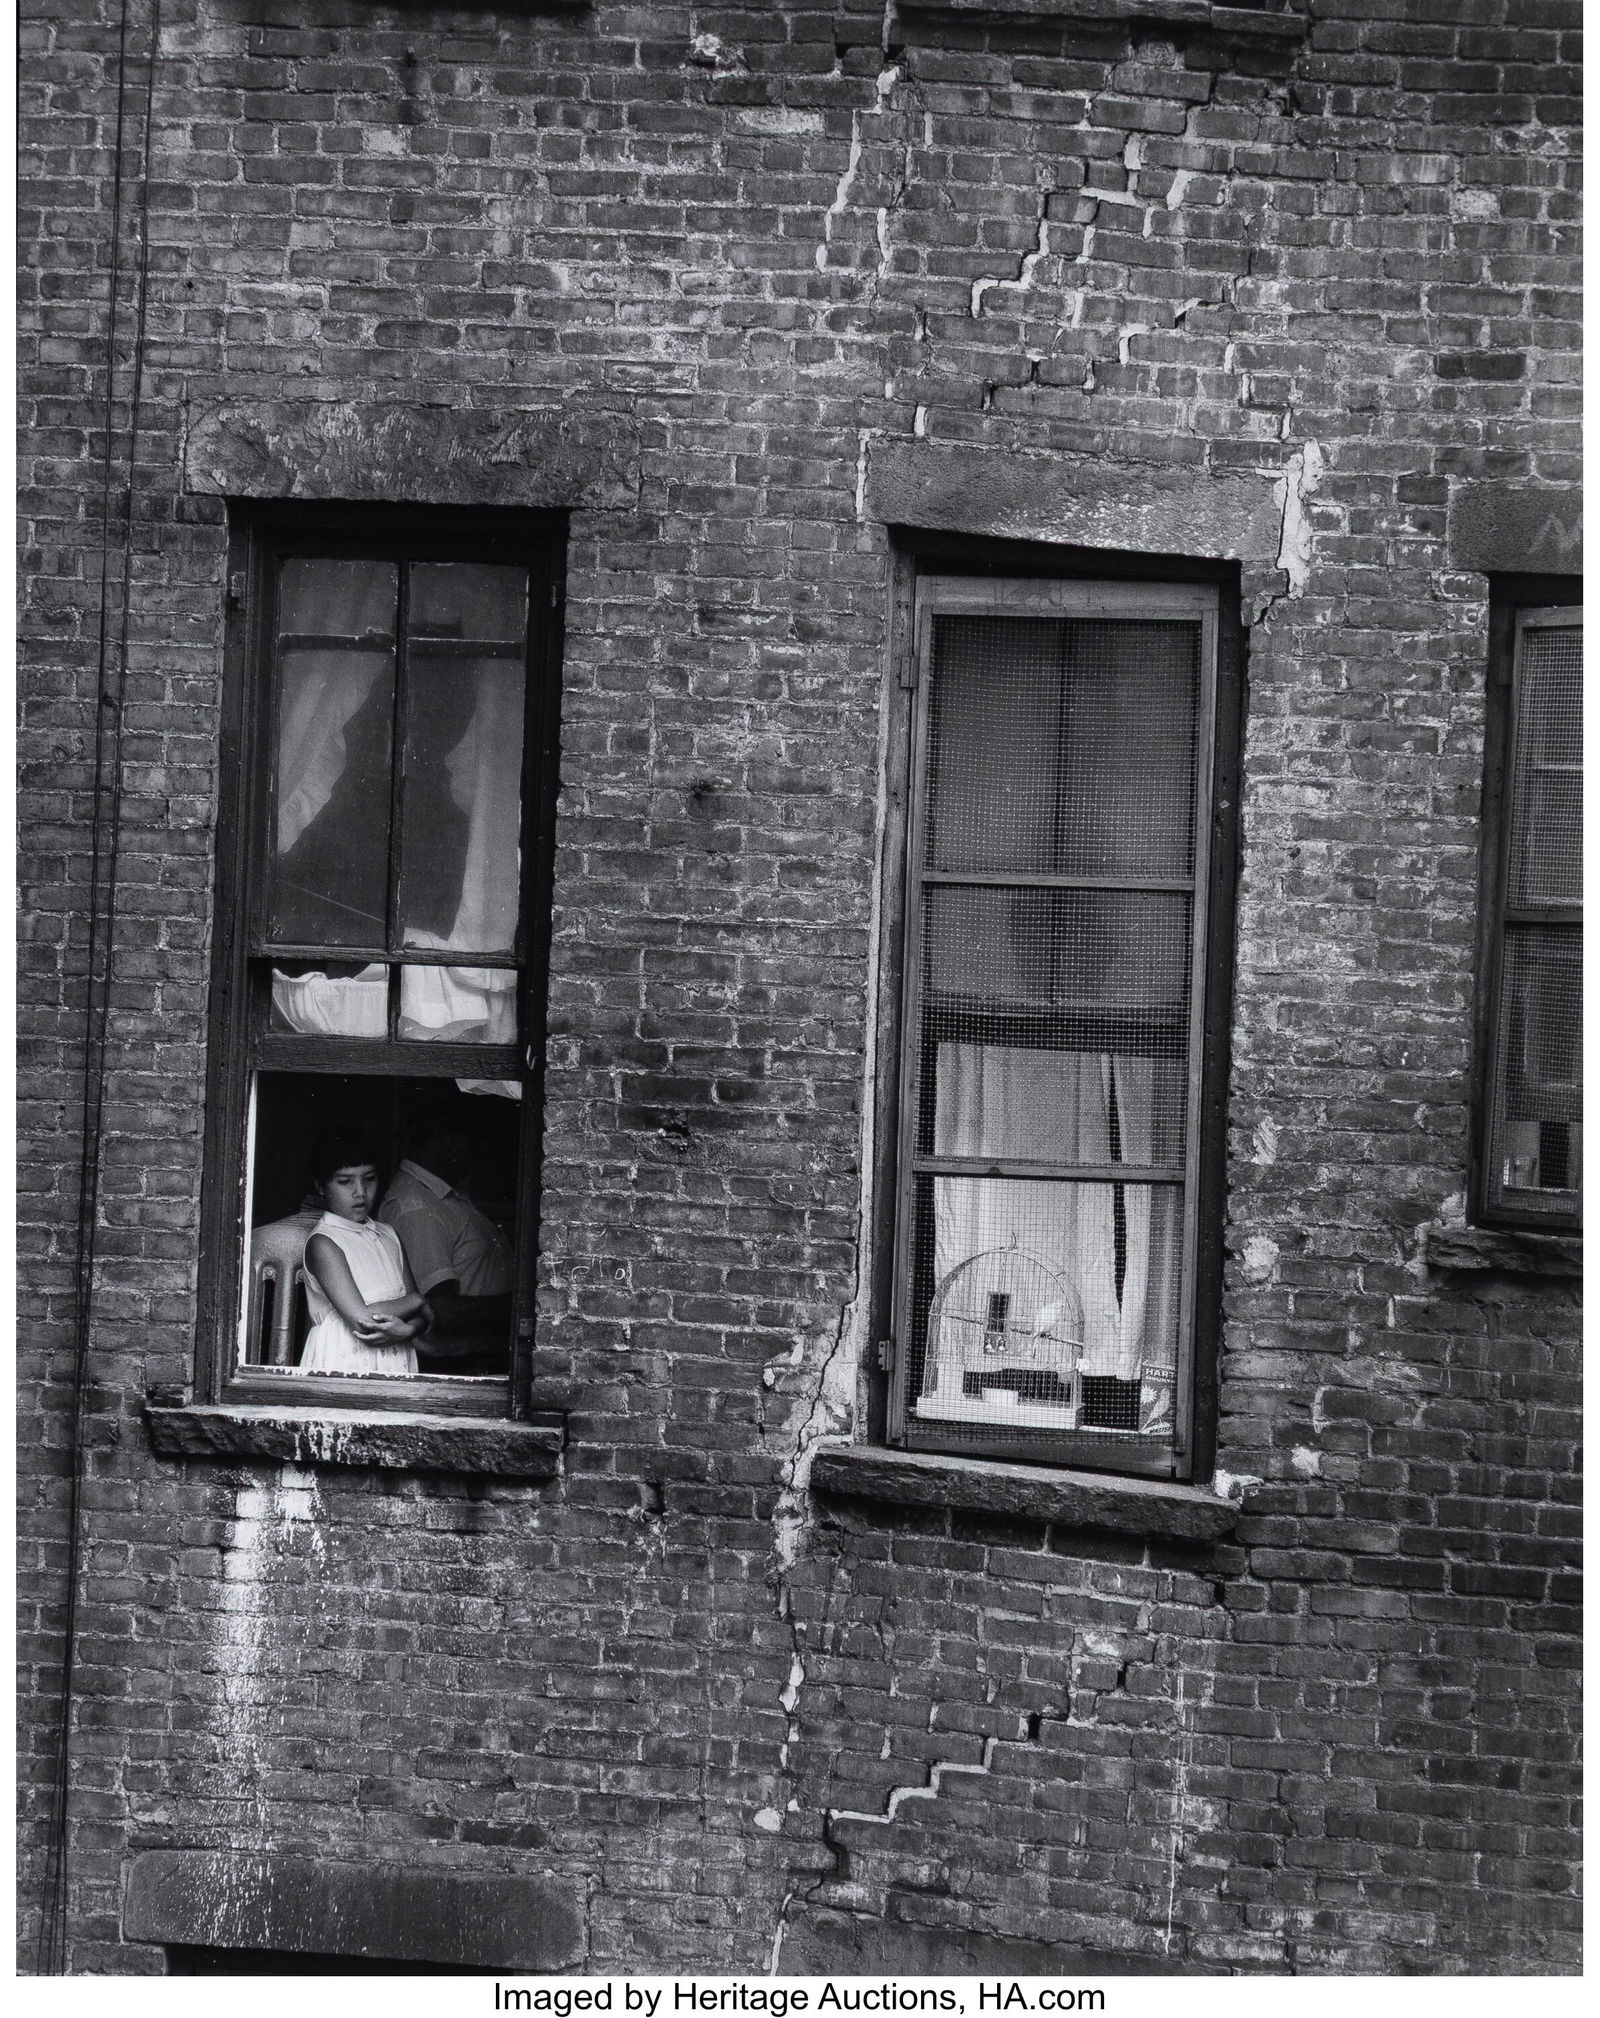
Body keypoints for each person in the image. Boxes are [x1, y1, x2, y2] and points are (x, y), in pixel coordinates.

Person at [378, 1118, 512, 1374]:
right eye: (468, 1138)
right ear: (443, 1141)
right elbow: (441, 1312)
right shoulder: (415, 1208)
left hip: (478, 1361)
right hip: (456, 1368)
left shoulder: (441, 1198)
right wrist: (522, 1307)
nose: (475, 1150)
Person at [299, 1130, 433, 1376]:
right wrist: (420, 1301)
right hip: (344, 1358)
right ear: (320, 1186)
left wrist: (409, 1330)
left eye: (369, 1178)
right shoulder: (324, 1242)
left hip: (395, 1353)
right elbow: (362, 1318)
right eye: (345, 1181)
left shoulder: (388, 1234)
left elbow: (419, 1314)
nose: (360, 1191)